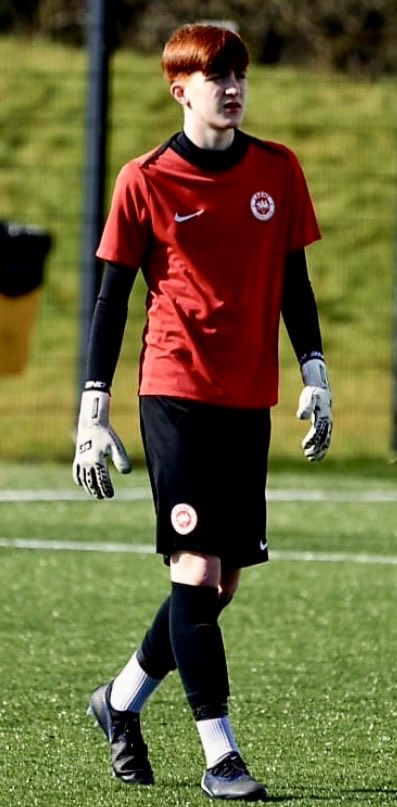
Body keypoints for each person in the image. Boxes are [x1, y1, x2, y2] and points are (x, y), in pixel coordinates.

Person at [72, 22, 332, 802]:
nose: (232, 87)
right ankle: (221, 756)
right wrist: (93, 407)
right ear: (179, 89)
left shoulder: (277, 169)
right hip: (174, 391)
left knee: (219, 588)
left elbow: (294, 281)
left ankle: (119, 700)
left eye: (238, 74)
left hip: (246, 399)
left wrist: (314, 370)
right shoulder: (144, 179)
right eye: (216, 76)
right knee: (194, 569)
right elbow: (111, 300)